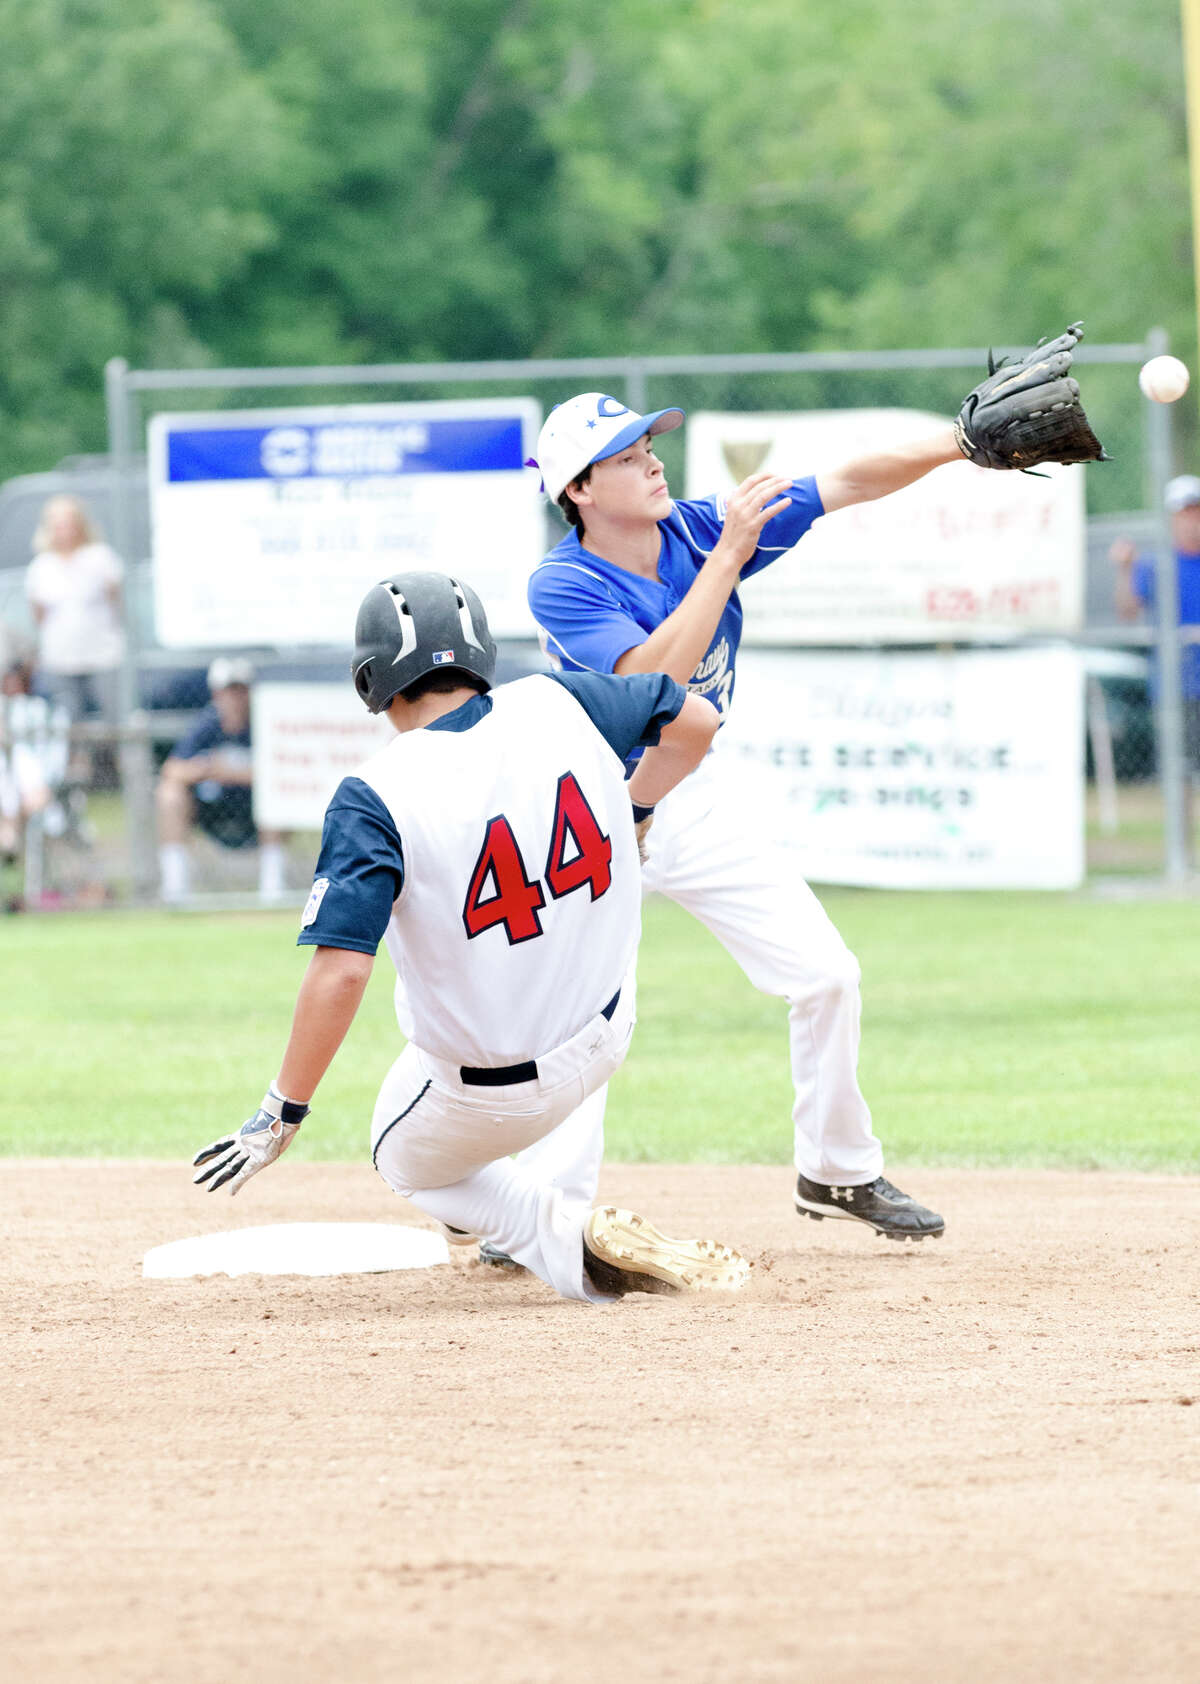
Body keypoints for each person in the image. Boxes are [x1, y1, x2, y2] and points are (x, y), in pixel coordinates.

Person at [191, 570, 747, 1303]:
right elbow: (699, 724)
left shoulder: (375, 794)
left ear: (372, 681)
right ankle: (557, 1217)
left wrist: (281, 1111)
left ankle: (562, 1235)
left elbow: (342, 973)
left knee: (403, 1158)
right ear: (480, 652)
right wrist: (637, 808)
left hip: (491, 1095)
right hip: (609, 1031)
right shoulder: (564, 699)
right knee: (563, 955)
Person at [524, 391, 973, 1244]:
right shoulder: (566, 581)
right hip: (587, 807)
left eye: (648, 444)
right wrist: (729, 556)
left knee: (825, 974)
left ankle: (835, 1172)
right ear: (578, 489)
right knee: (583, 1017)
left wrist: (958, 445)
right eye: (624, 454)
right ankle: (539, 1216)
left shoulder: (697, 528)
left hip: (686, 793)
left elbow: (848, 480)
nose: (650, 459)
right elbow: (653, 685)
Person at [156, 656, 289, 904]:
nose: (234, 698)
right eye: (228, 691)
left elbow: (282, 769)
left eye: (240, 690)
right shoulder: (207, 724)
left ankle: (274, 888)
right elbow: (172, 769)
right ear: (216, 694)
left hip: (253, 810)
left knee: (276, 792)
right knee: (169, 794)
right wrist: (207, 769)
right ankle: (175, 888)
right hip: (212, 808)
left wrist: (234, 773)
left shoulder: (263, 722)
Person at [25, 497, 125, 774]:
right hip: (60, 659)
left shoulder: (100, 557)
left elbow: (117, 603)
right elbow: (39, 614)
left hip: (103, 654)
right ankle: (74, 782)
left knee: (116, 719)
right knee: (68, 724)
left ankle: (118, 775)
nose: (64, 531)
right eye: (58, 525)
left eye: (69, 523)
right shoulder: (41, 566)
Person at [1111, 473, 1200, 774]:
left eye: (1195, 509)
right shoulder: (1155, 563)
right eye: (1184, 512)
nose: (1191, 519)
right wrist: (1125, 569)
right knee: (1181, 768)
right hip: (1176, 682)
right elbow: (1128, 611)